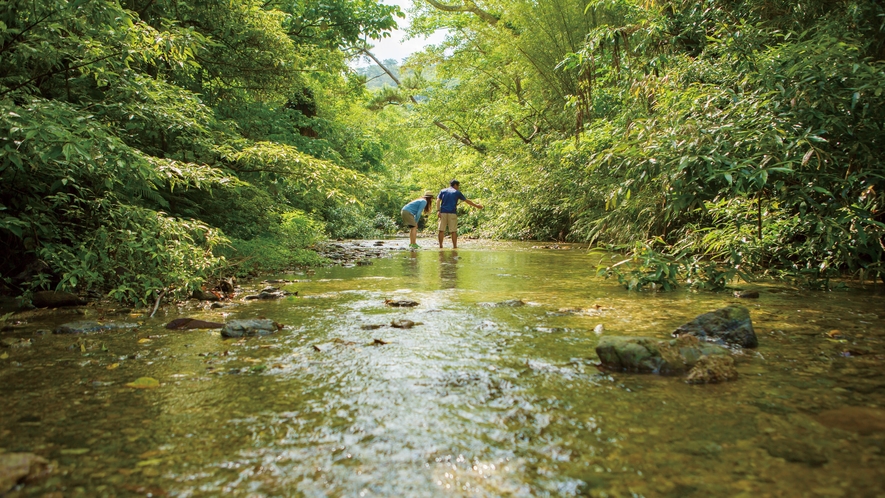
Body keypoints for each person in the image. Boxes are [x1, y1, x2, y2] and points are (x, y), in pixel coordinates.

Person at [437, 179, 483, 249]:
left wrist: (438, 210)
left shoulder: (443, 191)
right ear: (455, 185)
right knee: (453, 231)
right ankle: (454, 247)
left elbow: (438, 200)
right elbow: (466, 201)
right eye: (458, 186)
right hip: (452, 213)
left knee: (441, 230)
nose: (458, 187)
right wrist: (476, 205)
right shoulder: (457, 192)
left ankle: (440, 246)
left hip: (442, 212)